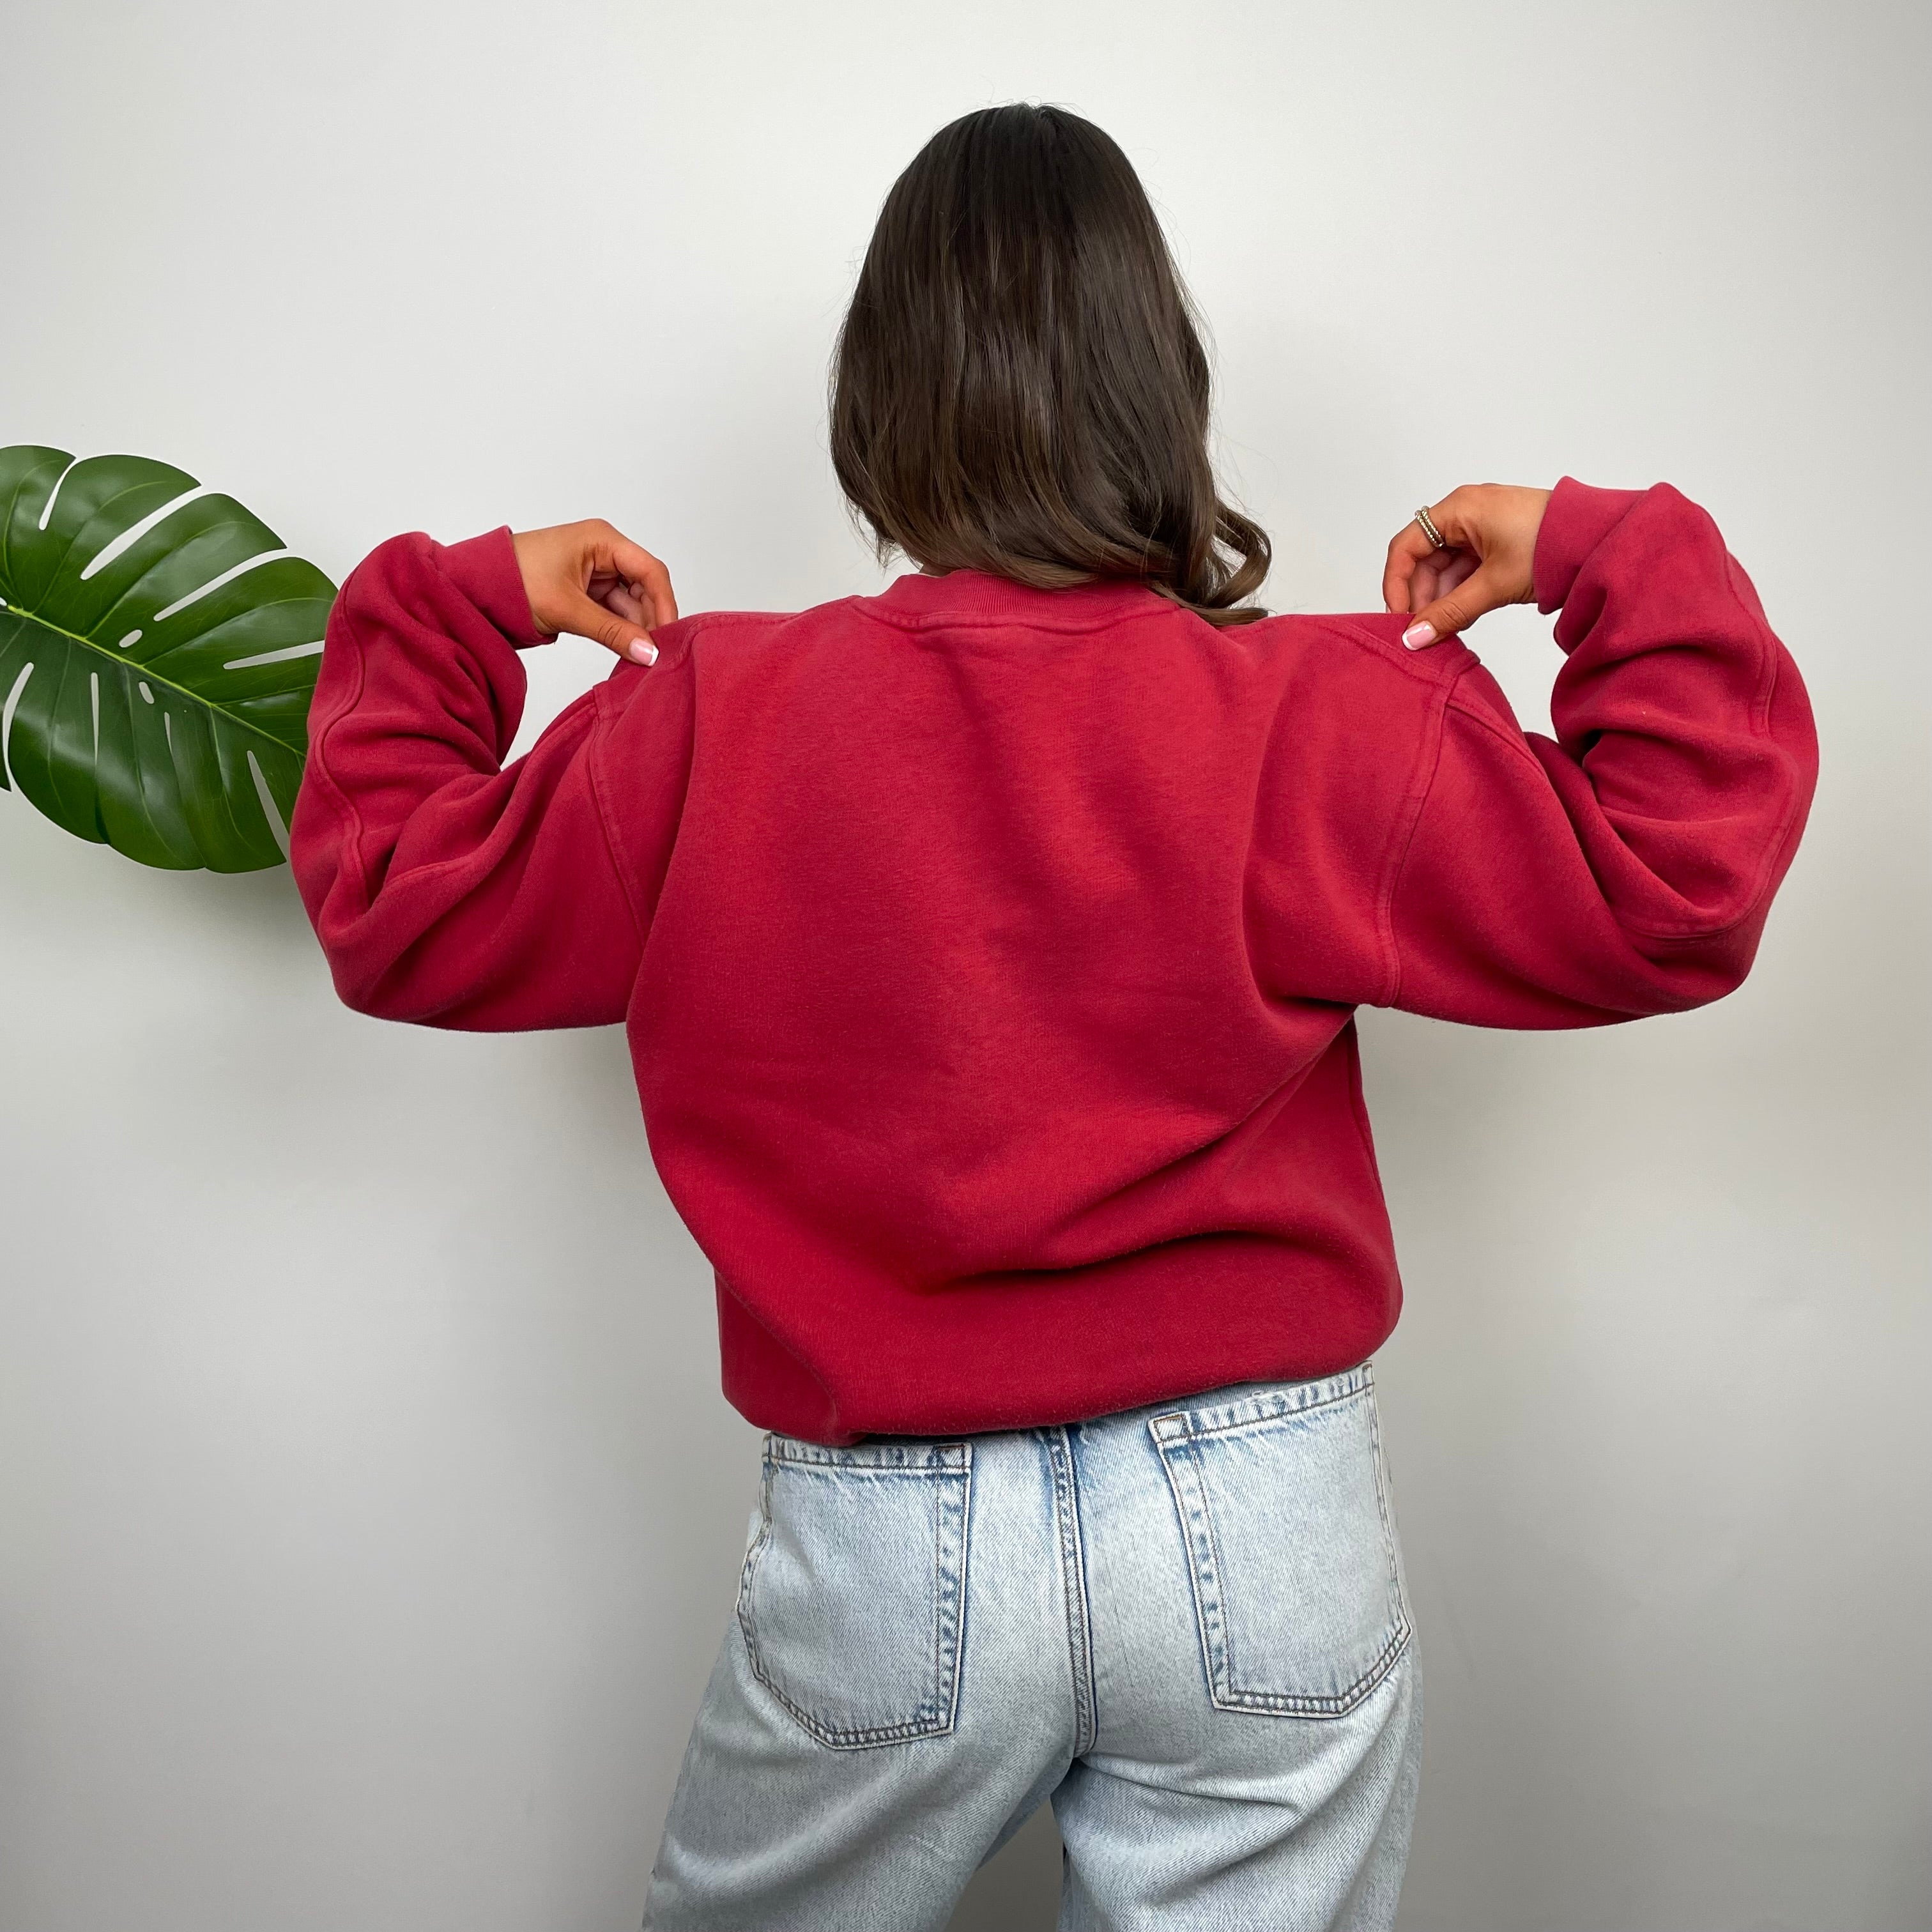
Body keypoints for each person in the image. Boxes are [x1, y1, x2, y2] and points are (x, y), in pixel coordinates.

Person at [289, 103, 1817, 1932]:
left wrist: (459, 611)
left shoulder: (707, 719)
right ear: (1157, 386)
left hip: (888, 1532)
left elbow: (395, 907)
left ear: (878, 401)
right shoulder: (1322, 710)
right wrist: (1593, 546)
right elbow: (1682, 877)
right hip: (1264, 1519)